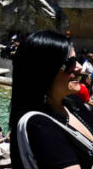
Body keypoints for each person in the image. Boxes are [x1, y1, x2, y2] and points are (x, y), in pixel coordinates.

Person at [10, 30, 93, 168]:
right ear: (44, 71)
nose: (79, 67)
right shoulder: (38, 126)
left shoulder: (73, 103)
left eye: (77, 59)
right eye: (70, 62)